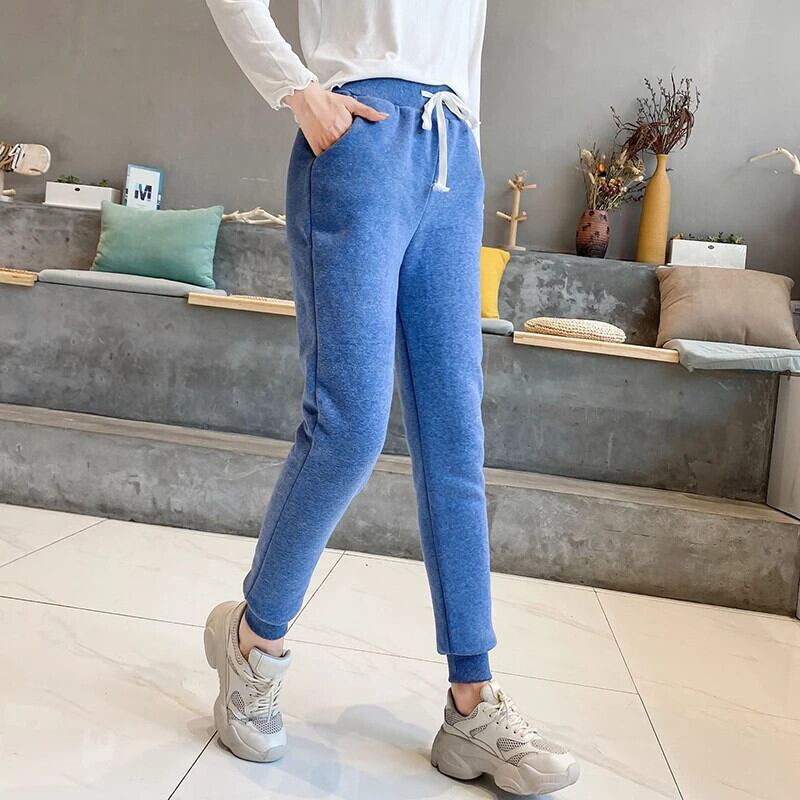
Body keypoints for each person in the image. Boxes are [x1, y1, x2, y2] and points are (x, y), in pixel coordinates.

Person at [202, 1, 579, 794]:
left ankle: (472, 700)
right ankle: (254, 643)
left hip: (455, 155)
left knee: (455, 440)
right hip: (359, 142)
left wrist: (466, 147)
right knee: (349, 427)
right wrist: (298, 89)